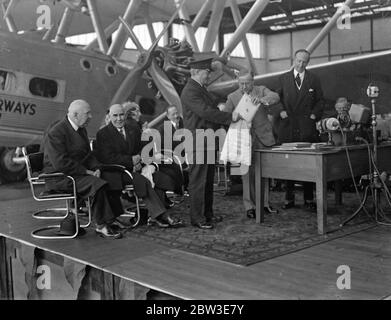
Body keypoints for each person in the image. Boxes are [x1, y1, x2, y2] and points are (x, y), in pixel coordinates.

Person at [43, 99, 124, 239]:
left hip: (76, 173)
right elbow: (60, 163)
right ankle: (102, 225)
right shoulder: (56, 132)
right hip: (60, 176)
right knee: (97, 184)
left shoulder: (81, 129)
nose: (91, 116)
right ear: (75, 115)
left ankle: (112, 217)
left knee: (110, 177)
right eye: (88, 113)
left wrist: (96, 168)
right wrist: (87, 171)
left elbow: (88, 155)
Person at [95, 104, 183, 227]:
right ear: (109, 117)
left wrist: (140, 161)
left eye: (121, 115)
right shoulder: (103, 134)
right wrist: (131, 161)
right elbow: (107, 158)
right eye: (115, 116)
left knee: (161, 179)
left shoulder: (133, 128)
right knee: (143, 181)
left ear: (125, 115)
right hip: (118, 171)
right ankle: (162, 215)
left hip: (138, 167)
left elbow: (144, 148)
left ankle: (154, 217)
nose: (119, 119)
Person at [180, 57, 240, 229]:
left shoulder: (198, 89)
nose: (208, 75)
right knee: (199, 181)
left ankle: (207, 214)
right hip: (198, 141)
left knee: (207, 180)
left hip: (205, 140)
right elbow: (206, 112)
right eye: (206, 72)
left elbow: (210, 110)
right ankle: (197, 218)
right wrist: (231, 117)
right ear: (197, 72)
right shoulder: (191, 90)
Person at [224, 70, 281, 219]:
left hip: (263, 138)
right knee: (247, 174)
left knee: (265, 172)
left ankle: (265, 204)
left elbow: (275, 96)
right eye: (241, 83)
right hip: (244, 139)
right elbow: (225, 117)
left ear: (253, 81)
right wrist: (234, 117)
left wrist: (262, 100)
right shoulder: (232, 97)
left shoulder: (261, 90)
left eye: (247, 83)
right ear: (237, 82)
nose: (244, 86)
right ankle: (250, 206)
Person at [277, 49, 324, 210]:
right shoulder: (283, 78)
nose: (301, 64)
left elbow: (320, 102)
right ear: (294, 59)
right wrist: (280, 110)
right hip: (289, 126)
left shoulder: (314, 79)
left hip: (306, 127)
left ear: (308, 62)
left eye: (304, 61)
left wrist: (313, 116)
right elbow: (275, 98)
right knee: (289, 164)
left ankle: (309, 198)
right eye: (298, 61)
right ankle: (289, 198)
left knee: (307, 164)